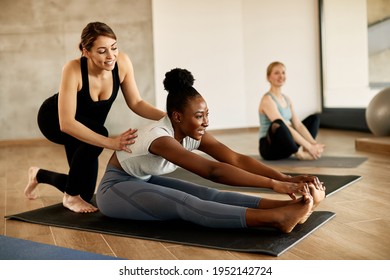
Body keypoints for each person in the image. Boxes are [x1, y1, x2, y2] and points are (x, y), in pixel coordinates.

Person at [96, 68, 326, 233]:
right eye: (199, 116)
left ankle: (289, 207)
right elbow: (213, 171)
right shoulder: (160, 139)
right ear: (177, 116)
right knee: (185, 203)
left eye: (207, 114)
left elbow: (235, 158)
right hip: (115, 189)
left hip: (143, 180)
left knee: (207, 194)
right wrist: (274, 185)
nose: (205, 122)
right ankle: (276, 219)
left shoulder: (191, 131)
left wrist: (284, 177)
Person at [24, 22, 166, 213]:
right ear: (86, 51)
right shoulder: (73, 69)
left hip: (87, 129)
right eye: (102, 51)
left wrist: (169, 118)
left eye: (114, 48)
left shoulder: (121, 63)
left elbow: (137, 103)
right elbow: (66, 124)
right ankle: (69, 197)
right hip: (54, 121)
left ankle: (38, 175)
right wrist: (111, 142)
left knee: (86, 192)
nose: (111, 56)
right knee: (99, 135)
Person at [258, 61, 325, 160]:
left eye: (283, 72)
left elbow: (298, 124)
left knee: (314, 118)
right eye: (276, 73)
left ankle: (307, 150)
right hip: (270, 149)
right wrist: (308, 146)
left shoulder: (287, 99)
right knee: (279, 123)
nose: (281, 76)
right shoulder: (267, 99)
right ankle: (300, 154)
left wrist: (313, 144)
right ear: (268, 77)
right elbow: (282, 125)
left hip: (285, 146)